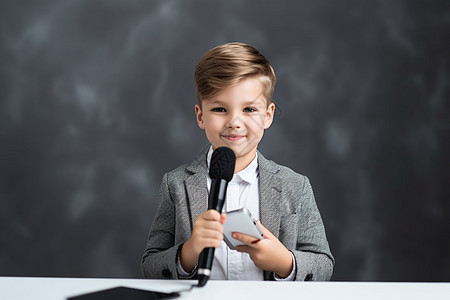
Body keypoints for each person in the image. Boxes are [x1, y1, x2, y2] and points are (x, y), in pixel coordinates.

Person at [141, 42, 334, 281]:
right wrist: (189, 252)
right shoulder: (176, 184)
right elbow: (150, 265)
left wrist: (284, 261)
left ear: (268, 115)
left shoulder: (295, 186)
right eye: (220, 109)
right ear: (201, 116)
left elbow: (323, 264)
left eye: (249, 109)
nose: (234, 121)